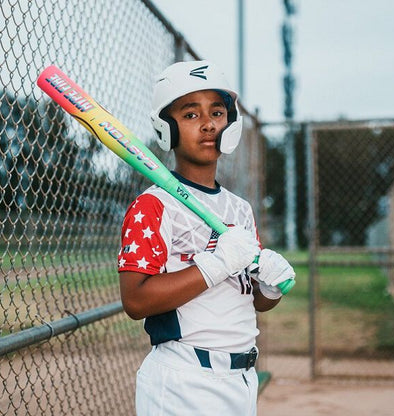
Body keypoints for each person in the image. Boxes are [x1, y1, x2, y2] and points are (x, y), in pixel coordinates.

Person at [118, 60, 295, 416]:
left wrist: (270, 288)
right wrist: (215, 263)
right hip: (185, 381)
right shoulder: (152, 206)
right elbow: (135, 301)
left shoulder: (240, 209)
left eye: (217, 112)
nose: (209, 124)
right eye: (190, 114)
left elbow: (252, 300)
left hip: (242, 379)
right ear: (166, 127)